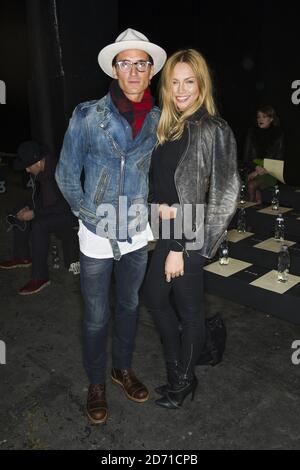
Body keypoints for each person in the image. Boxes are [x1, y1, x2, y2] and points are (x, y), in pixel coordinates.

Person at [55, 28, 167, 424]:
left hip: (137, 232)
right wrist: (91, 217)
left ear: (151, 70)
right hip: (96, 234)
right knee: (96, 315)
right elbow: (66, 176)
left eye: (141, 63)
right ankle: (96, 382)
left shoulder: (159, 120)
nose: (134, 70)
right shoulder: (88, 115)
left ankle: (121, 369)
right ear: (115, 70)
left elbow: (163, 174)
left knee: (130, 305)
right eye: (126, 63)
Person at [143, 49, 240, 409]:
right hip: (169, 231)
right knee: (155, 300)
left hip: (190, 238)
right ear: (166, 87)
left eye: (189, 82)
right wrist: (155, 208)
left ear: (201, 85)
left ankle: (183, 381)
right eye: (174, 82)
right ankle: (179, 370)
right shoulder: (169, 128)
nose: (181, 90)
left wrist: (185, 249)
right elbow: (163, 186)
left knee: (188, 312)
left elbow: (226, 196)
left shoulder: (213, 128)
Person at [0, 140, 78, 294]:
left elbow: (64, 206)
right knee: (20, 208)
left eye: (29, 165)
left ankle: (40, 277)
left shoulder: (59, 172)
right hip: (54, 210)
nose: (27, 170)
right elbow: (45, 200)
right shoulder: (43, 171)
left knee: (39, 225)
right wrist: (30, 207)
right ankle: (22, 257)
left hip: (70, 215)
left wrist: (35, 213)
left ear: (39, 161)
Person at [243, 105, 285, 203]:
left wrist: (259, 170)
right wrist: (254, 168)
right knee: (254, 193)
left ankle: (247, 213)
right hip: (252, 169)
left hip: (269, 171)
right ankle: (255, 214)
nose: (260, 119)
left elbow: (279, 158)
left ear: (271, 119)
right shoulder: (251, 133)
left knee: (251, 185)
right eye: (258, 117)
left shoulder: (278, 134)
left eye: (264, 117)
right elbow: (246, 157)